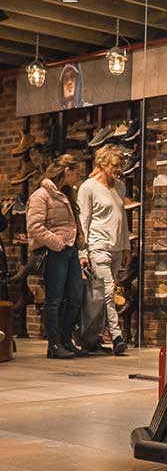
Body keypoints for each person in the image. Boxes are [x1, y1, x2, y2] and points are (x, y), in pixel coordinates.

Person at [26, 154, 86, 359]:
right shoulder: (41, 195)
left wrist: (80, 237)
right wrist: (57, 243)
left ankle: (66, 339)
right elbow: (34, 227)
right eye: (76, 172)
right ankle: (54, 344)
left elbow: (73, 221)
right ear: (66, 172)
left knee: (76, 297)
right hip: (55, 252)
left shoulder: (67, 193)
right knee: (54, 299)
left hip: (70, 251)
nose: (78, 176)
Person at [78, 145, 130, 356]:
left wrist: (127, 245)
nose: (119, 169)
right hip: (98, 245)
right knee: (108, 291)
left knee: (98, 296)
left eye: (121, 165)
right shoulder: (88, 188)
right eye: (115, 165)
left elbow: (123, 217)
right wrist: (83, 253)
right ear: (103, 164)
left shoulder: (120, 187)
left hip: (117, 247)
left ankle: (90, 339)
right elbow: (83, 222)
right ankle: (117, 336)